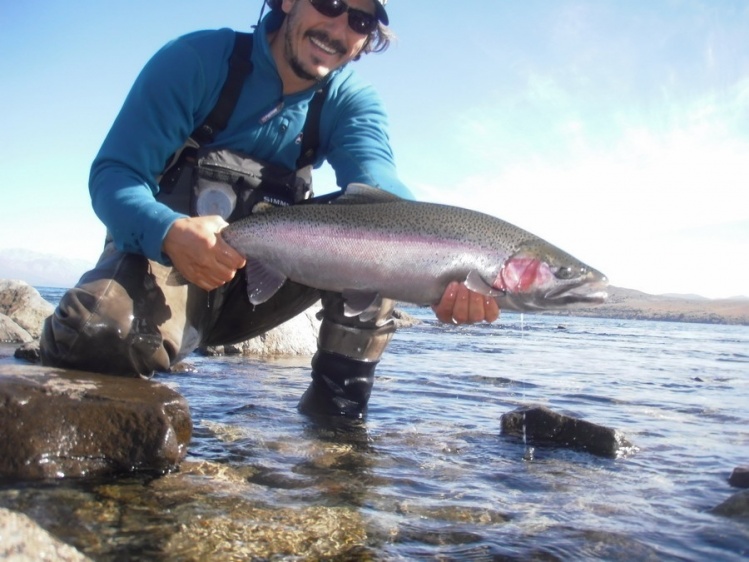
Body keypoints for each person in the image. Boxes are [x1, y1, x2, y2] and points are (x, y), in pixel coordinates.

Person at [40, 0, 499, 418]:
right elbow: (115, 175)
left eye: (359, 20)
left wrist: (436, 276)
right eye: (329, 4)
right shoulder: (196, 59)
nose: (338, 28)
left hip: (270, 282)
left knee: (378, 241)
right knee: (95, 332)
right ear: (287, 2)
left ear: (365, 39)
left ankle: (336, 430)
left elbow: (385, 194)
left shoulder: (350, 101)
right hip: (169, 265)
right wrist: (169, 231)